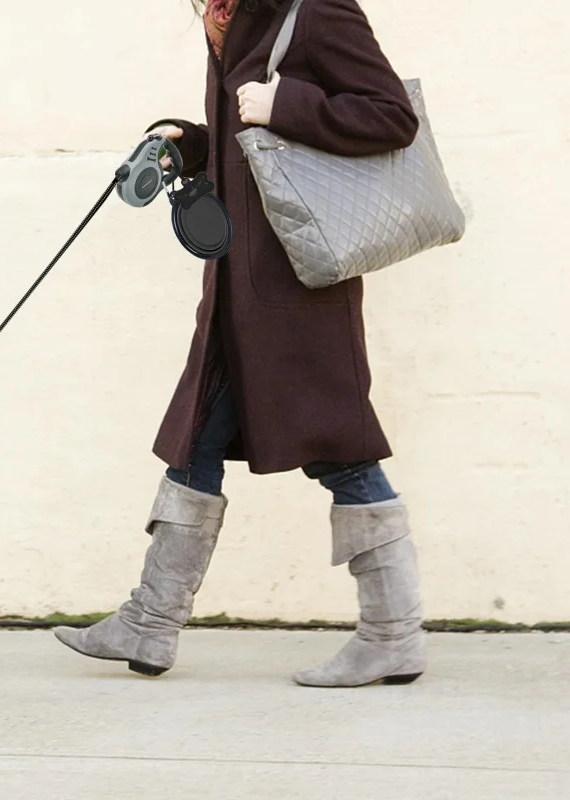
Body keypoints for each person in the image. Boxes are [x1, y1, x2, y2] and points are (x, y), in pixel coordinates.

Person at [54, 0, 424, 688]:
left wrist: (287, 103)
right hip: (235, 288)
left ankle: (393, 635)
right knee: (195, 442)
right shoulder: (230, 19)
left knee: (340, 452)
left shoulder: (315, 9)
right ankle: (150, 621)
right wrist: (186, 141)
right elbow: (245, 140)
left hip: (296, 290)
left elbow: (391, 118)